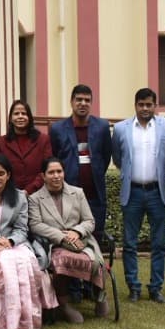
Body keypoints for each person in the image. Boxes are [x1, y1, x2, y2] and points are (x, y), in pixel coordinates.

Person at [0, 155, 57, 329]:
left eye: (1, 173)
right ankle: (1, 322)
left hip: (16, 245)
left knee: (22, 263)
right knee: (0, 263)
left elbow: (21, 230)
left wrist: (9, 242)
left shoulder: (20, 197)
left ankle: (23, 321)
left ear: (8, 175)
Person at [111, 88, 165, 303]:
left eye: (149, 104)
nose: (145, 108)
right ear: (135, 105)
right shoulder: (121, 129)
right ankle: (134, 287)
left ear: (154, 105)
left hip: (158, 191)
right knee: (130, 243)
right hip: (133, 192)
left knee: (159, 243)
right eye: (141, 104)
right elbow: (118, 158)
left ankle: (155, 288)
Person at [28, 158, 110, 323]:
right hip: (55, 244)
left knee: (95, 260)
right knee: (61, 261)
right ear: (43, 176)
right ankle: (64, 305)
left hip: (82, 242)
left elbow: (89, 221)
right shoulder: (35, 198)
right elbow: (35, 225)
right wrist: (62, 236)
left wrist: (76, 232)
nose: (56, 176)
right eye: (51, 172)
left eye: (59, 171)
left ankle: (100, 295)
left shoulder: (77, 193)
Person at [48, 85, 113, 239]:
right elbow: (54, 158)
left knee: (95, 238)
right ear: (71, 102)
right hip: (67, 195)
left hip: (94, 194)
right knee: (70, 239)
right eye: (79, 99)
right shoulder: (57, 129)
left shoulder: (102, 127)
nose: (83, 103)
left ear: (91, 103)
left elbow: (105, 156)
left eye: (87, 100)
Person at [0, 100, 52, 194]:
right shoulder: (1, 142)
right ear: (11, 119)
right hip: (10, 195)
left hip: (39, 194)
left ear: (29, 117)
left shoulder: (43, 140)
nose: (20, 116)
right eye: (16, 113)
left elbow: (47, 169)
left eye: (24, 113)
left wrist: (28, 190)